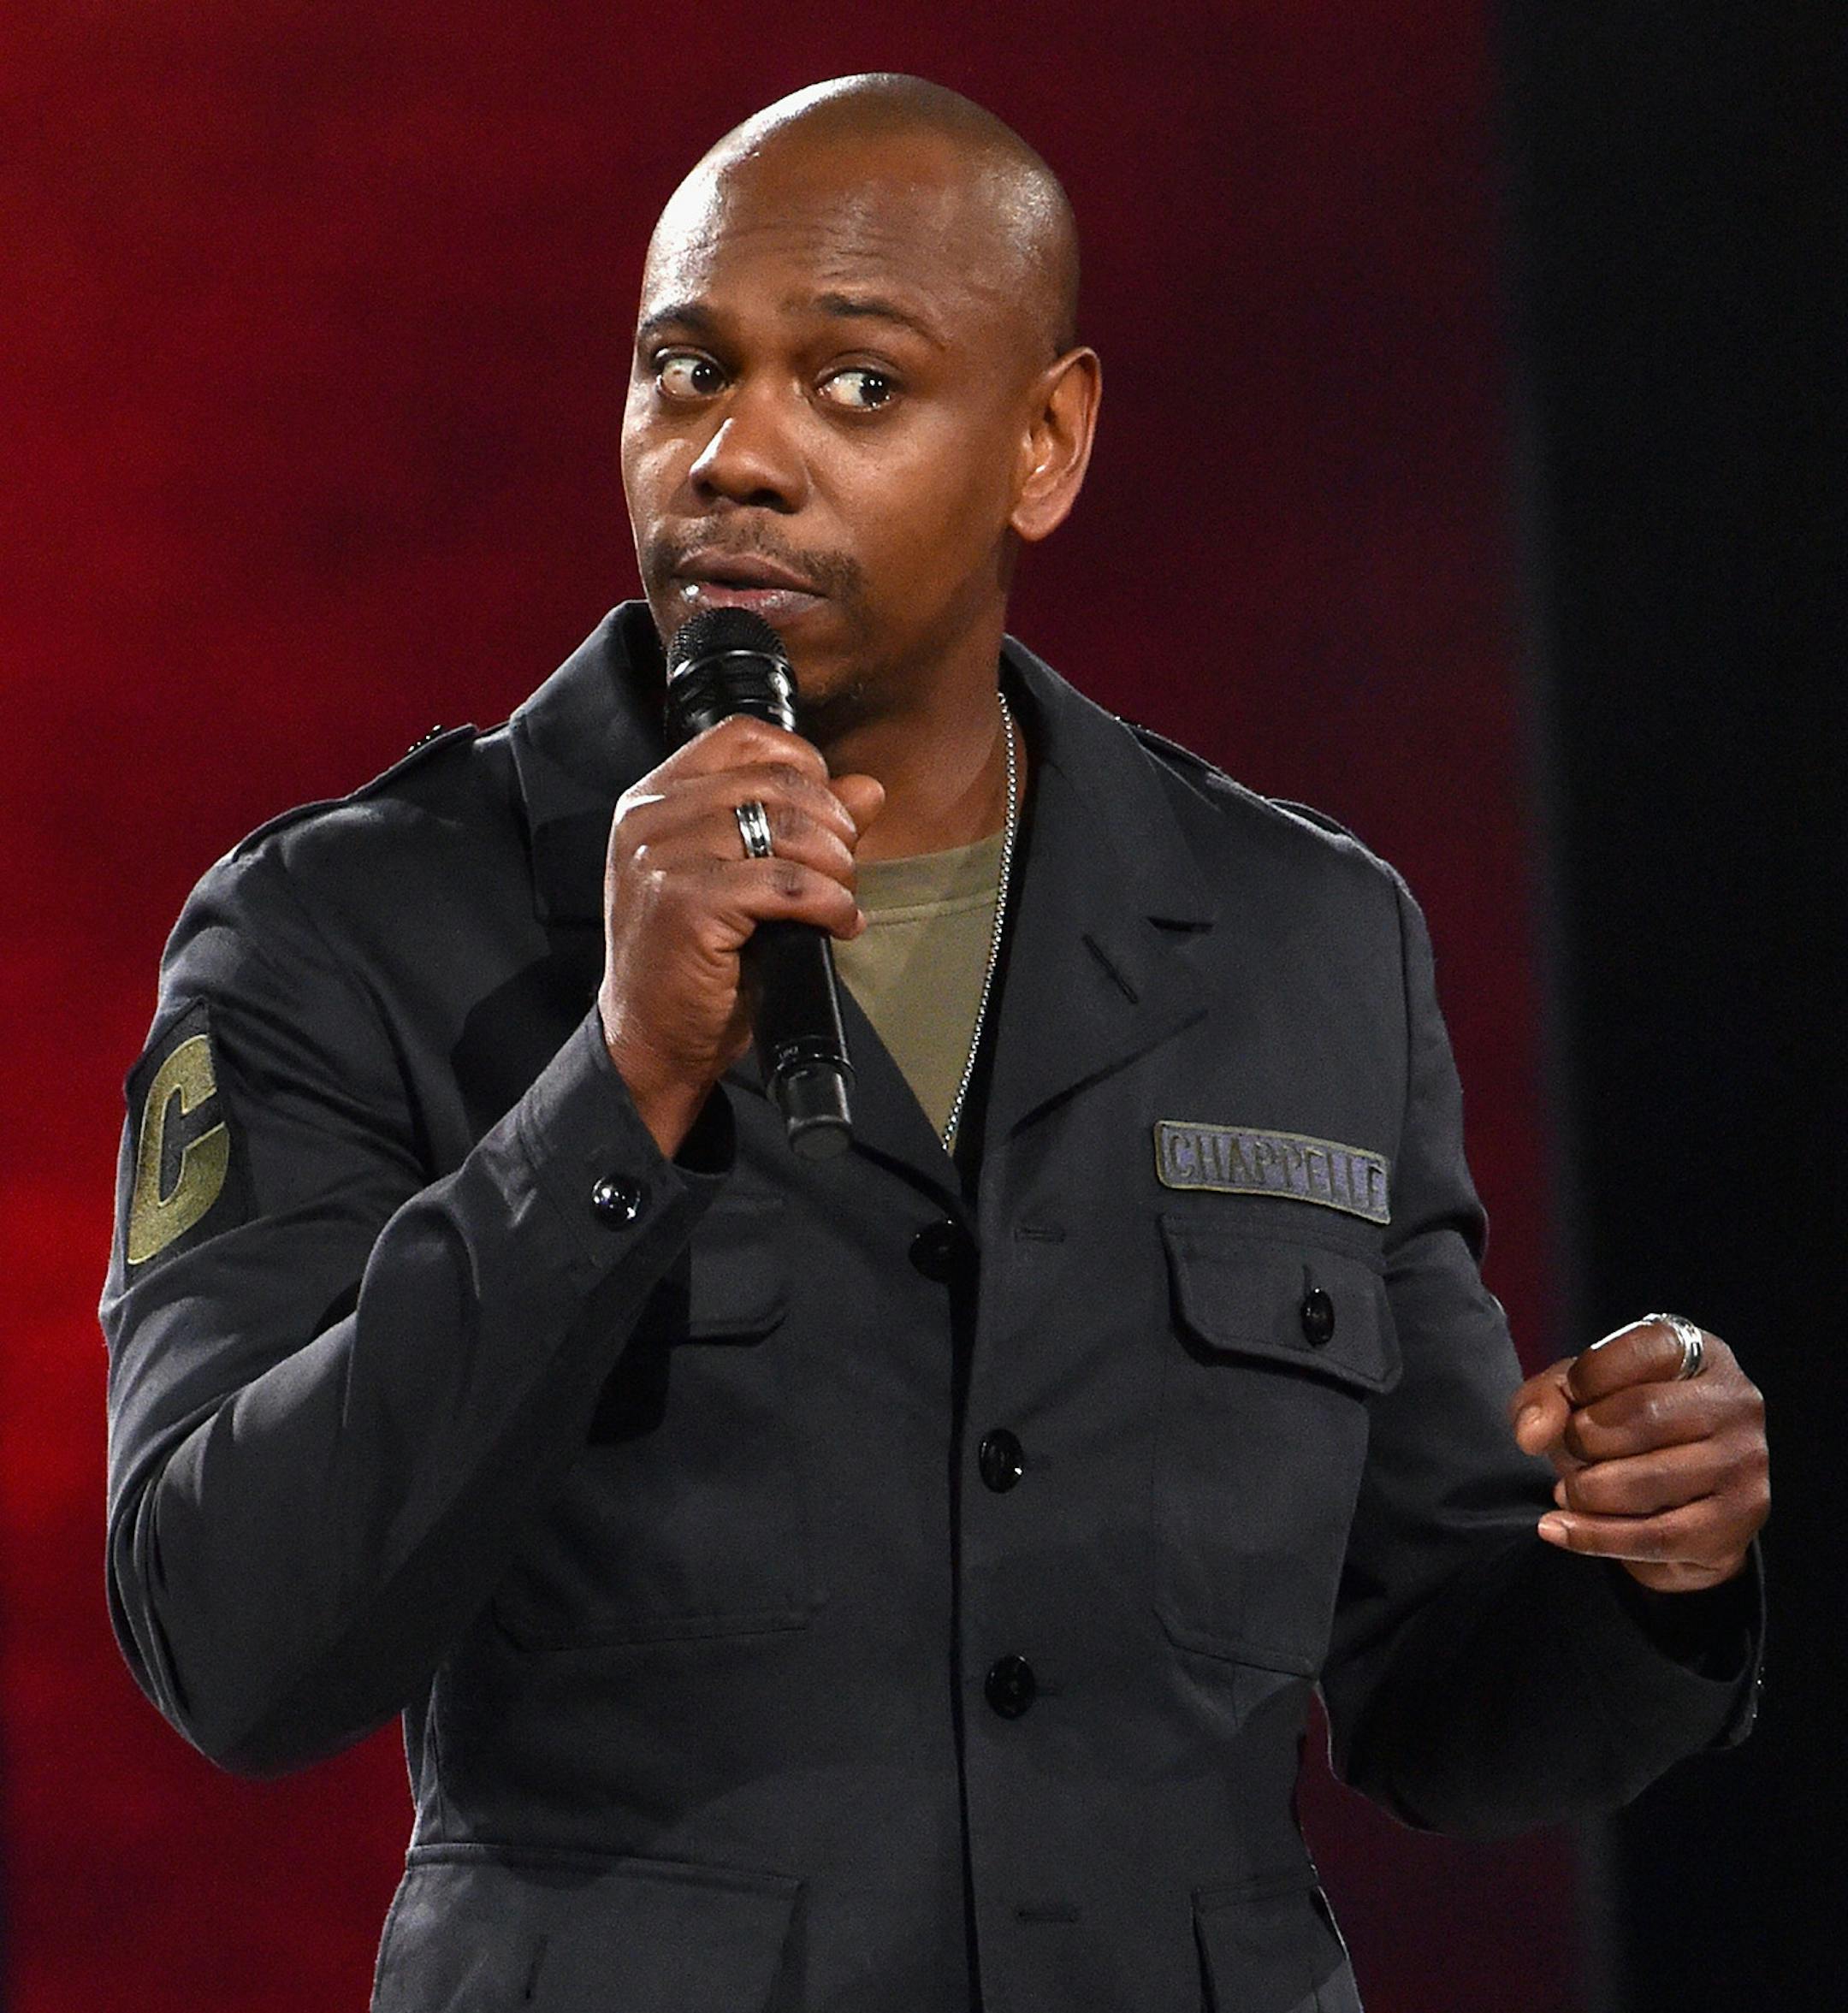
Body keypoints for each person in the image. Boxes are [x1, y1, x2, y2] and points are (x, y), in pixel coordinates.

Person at [101, 74, 1768, 2013]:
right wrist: (616, 1085)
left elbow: (1445, 1698)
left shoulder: (1303, 936)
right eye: (682, 370)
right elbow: (230, 1639)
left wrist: (1653, 1565)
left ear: (1045, 442)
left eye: (858, 386)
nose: (734, 455)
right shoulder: (354, 926)